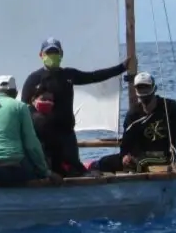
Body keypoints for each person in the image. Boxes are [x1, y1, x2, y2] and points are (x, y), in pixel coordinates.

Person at [19, 37, 131, 177]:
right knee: (47, 171)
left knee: (75, 171)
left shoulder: (68, 74)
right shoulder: (33, 79)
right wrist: (35, 107)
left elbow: (93, 76)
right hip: (44, 137)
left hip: (67, 134)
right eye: (49, 52)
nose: (52, 56)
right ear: (41, 55)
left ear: (61, 54)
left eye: (55, 52)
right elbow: (22, 109)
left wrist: (121, 68)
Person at [0, 75, 61, 186]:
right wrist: (46, 172)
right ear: (15, 93)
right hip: (11, 171)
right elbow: (31, 145)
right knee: (34, 171)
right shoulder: (20, 107)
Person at [93, 72, 176, 173]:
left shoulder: (171, 108)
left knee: (139, 162)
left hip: (164, 156)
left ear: (154, 88)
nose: (143, 91)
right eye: (140, 88)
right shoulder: (133, 115)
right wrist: (125, 157)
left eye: (146, 87)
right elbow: (126, 145)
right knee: (103, 162)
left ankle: (136, 185)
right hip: (139, 155)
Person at [27, 90, 80, 177]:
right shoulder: (29, 117)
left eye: (50, 100)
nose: (47, 102)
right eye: (44, 99)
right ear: (33, 100)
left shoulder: (57, 121)